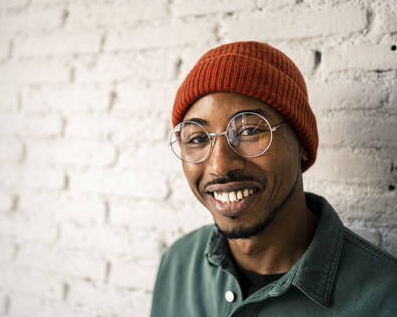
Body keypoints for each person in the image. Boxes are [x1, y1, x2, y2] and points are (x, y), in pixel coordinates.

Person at [150, 41, 397, 316]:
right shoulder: (177, 264)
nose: (219, 165)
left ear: (302, 144)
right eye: (197, 138)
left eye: (249, 131)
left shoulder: (385, 297)